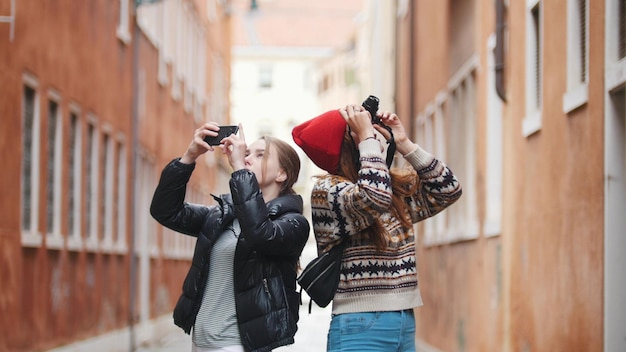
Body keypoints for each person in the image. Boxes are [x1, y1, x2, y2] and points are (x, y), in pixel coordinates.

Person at [292, 105, 462, 352]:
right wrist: (367, 141)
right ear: (351, 144)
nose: (374, 133)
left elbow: (449, 189)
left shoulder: (391, 188)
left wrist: (404, 144)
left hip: (404, 318)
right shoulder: (327, 192)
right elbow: (374, 198)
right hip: (359, 324)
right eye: (363, 130)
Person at [150, 122, 310, 352]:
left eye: (260, 155)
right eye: (246, 153)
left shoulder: (294, 223)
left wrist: (238, 168)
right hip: (200, 343)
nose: (247, 158)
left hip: (238, 345)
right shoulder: (220, 216)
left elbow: (259, 233)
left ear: (282, 173)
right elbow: (165, 211)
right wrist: (190, 156)